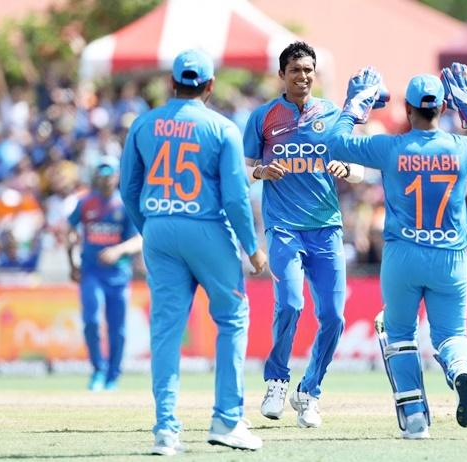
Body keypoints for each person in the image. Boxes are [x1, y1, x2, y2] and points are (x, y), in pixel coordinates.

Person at [329, 64, 467, 439]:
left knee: (398, 334)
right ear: (442, 109)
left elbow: (335, 143)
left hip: (402, 255)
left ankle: (415, 421)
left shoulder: (390, 146)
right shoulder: (461, 147)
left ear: (407, 110)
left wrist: (354, 107)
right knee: (451, 334)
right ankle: (460, 369)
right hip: (449, 257)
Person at [119, 49, 267, 455]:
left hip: (159, 230)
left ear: (172, 82)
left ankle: (166, 430)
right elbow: (236, 198)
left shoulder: (143, 124)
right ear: (210, 85)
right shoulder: (222, 128)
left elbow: (128, 189)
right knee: (233, 319)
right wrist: (252, 247)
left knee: (166, 330)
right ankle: (227, 419)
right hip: (207, 229)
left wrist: (149, 228)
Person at [243, 41, 365, 429]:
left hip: (326, 229)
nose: (304, 76)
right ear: (282, 75)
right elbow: (242, 170)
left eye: (309, 69)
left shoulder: (332, 115)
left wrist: (348, 172)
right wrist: (262, 172)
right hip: (283, 229)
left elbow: (361, 168)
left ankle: (309, 391)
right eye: (295, 70)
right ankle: (277, 380)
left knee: (334, 317)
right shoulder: (263, 118)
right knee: (292, 303)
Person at [66, 156, 142, 391]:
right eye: (101, 174)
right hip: (91, 272)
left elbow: (139, 239)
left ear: (117, 176)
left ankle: (113, 375)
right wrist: (71, 260)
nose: (105, 179)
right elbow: (70, 229)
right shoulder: (86, 202)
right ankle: (98, 370)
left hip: (118, 275)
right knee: (91, 321)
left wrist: (117, 250)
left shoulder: (124, 205)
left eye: (109, 174)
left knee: (117, 328)